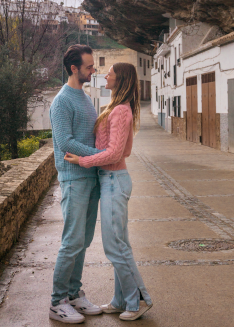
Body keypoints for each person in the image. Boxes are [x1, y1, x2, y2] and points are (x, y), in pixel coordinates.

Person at [65, 63, 153, 321]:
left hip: (114, 179)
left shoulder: (120, 111)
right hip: (110, 179)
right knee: (120, 244)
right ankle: (120, 300)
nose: (106, 74)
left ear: (121, 78)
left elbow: (116, 153)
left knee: (115, 247)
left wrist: (82, 160)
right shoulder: (117, 108)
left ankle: (138, 301)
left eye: (110, 72)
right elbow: (119, 151)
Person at [49, 44, 104, 324]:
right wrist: (101, 156)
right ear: (74, 69)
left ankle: (74, 294)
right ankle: (57, 302)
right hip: (73, 180)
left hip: (90, 177)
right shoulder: (62, 101)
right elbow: (65, 143)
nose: (93, 70)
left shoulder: (84, 96)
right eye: (89, 67)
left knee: (83, 241)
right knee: (71, 242)